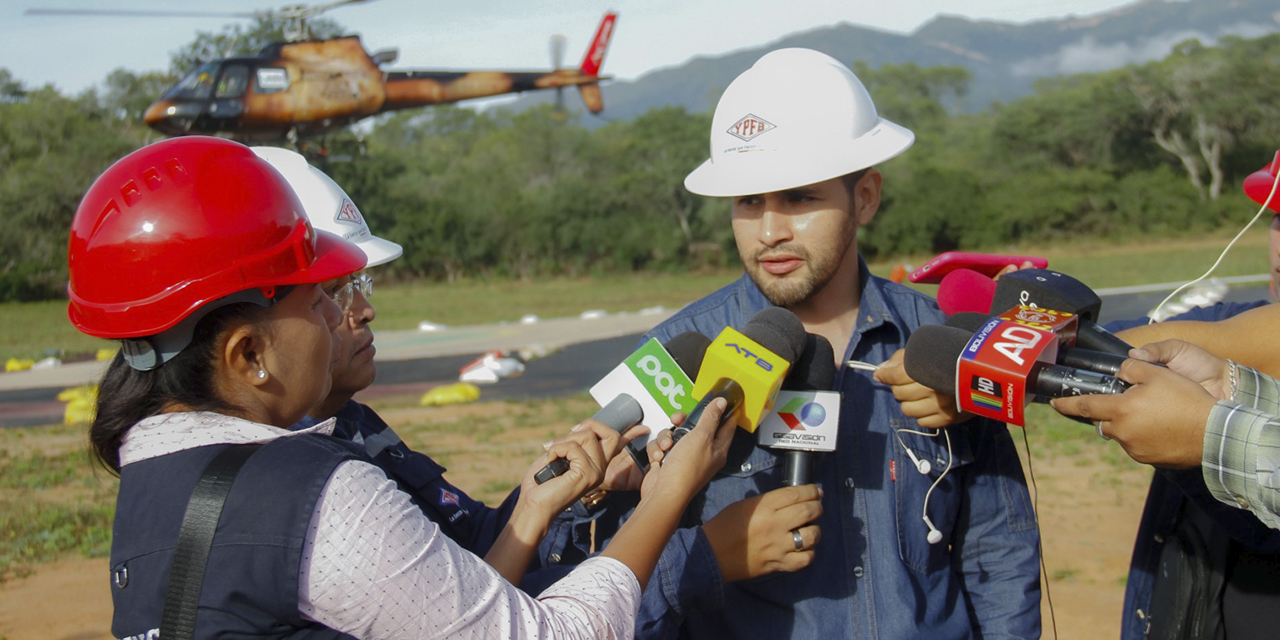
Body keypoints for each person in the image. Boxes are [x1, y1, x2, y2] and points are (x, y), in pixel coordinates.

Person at [75, 136, 740, 639]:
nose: (347, 315)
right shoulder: (314, 493)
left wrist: (532, 510)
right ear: (247, 356)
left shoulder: (151, 470)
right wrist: (669, 499)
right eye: (322, 300)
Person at [543, 48, 1041, 639]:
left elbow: (998, 548)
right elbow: (615, 584)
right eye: (749, 202)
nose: (771, 231)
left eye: (800, 197)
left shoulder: (939, 347)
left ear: (865, 198)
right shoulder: (677, 354)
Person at [253, 145, 587, 589]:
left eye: (361, 286)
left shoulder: (350, 422)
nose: (363, 310)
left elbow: (470, 536)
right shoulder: (299, 483)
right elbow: (468, 615)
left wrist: (567, 488)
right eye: (333, 292)